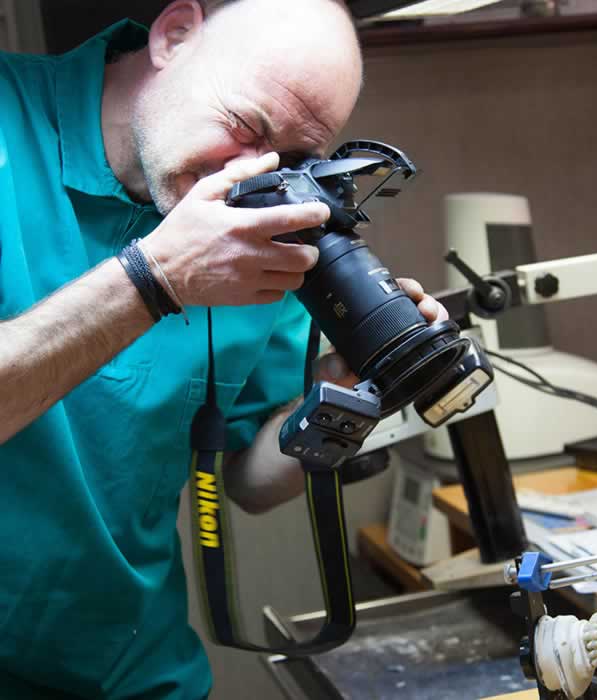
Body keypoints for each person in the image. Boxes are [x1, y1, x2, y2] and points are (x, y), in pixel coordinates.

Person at [0, 0, 448, 697]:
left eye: (293, 158)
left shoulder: (261, 226)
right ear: (174, 37)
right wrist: (159, 279)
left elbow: (249, 479)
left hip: (132, 669)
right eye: (245, 127)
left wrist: (346, 395)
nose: (248, 177)